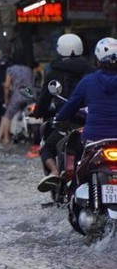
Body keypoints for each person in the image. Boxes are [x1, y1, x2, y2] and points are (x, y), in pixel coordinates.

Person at [33, 33, 94, 192]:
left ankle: (54, 172)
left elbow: (45, 98)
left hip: (67, 122)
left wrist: (39, 111)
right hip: (91, 123)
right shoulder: (91, 72)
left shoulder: (54, 72)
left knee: (47, 148)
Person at [55, 37, 117, 161]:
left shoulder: (88, 81)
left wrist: (58, 118)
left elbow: (71, 106)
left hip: (93, 138)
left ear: (97, 60)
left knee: (75, 161)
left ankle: (74, 181)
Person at [0, 53, 33, 144]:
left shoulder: (10, 70)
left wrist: (6, 99)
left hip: (17, 96)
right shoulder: (28, 70)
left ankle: (6, 138)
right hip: (29, 96)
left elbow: (7, 86)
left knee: (7, 116)